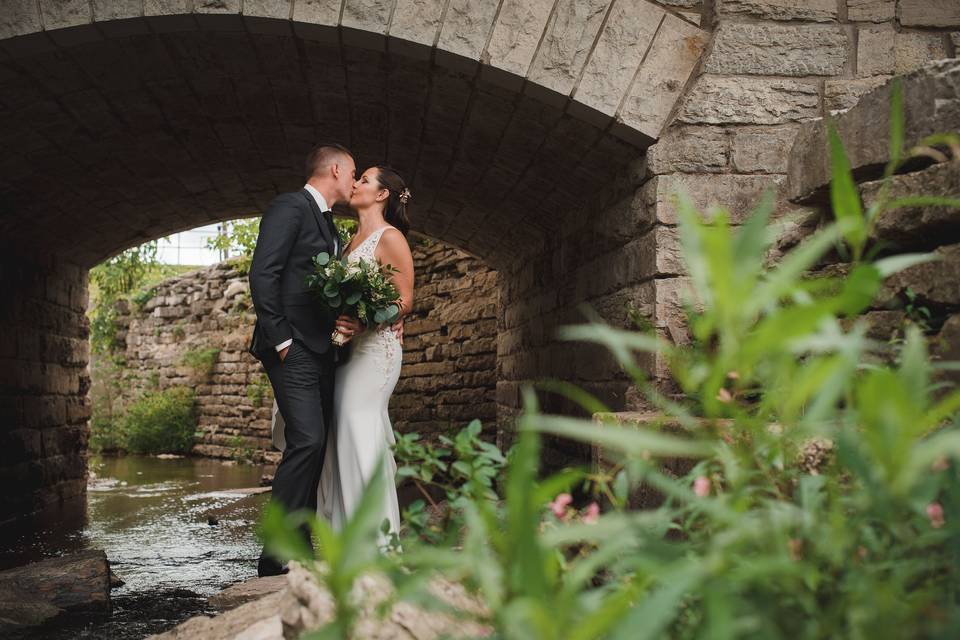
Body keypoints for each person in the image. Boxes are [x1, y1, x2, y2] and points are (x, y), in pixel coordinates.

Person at [272, 166, 414, 548]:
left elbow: (404, 300)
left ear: (383, 194)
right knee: (341, 437)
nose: (356, 184)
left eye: (365, 180)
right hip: (345, 355)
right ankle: (344, 541)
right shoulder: (347, 241)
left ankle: (378, 544)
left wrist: (366, 322)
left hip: (375, 353)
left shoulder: (390, 237)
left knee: (360, 427)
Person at [248, 143, 355, 577]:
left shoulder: (332, 227)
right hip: (292, 348)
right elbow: (263, 272)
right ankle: (273, 555)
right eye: (353, 173)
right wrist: (281, 340)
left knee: (317, 444)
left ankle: (299, 545)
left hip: (323, 350)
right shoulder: (290, 206)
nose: (355, 180)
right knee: (307, 440)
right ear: (334, 169)